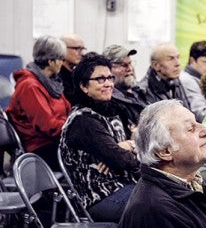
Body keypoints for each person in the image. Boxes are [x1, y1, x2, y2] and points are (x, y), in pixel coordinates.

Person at [118, 100, 206, 228]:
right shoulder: (157, 210)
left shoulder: (194, 182)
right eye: (191, 129)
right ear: (164, 151)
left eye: (197, 122)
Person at [59, 53, 140, 223]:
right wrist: (126, 150)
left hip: (124, 184)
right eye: (101, 79)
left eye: (110, 77)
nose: (109, 83)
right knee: (158, 205)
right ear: (84, 86)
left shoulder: (113, 109)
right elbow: (121, 160)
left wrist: (128, 145)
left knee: (170, 196)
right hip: (100, 196)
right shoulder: (83, 120)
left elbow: (140, 140)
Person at [6, 36, 71, 170]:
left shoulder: (51, 83)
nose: (62, 63)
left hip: (56, 141)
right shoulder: (29, 86)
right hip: (40, 147)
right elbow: (47, 126)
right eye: (61, 59)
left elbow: (68, 112)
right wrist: (74, 126)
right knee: (89, 156)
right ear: (51, 61)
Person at [103, 44, 147, 138]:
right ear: (107, 70)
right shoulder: (110, 102)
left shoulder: (138, 92)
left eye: (130, 63)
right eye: (123, 65)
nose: (130, 69)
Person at [138, 42, 190, 108]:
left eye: (178, 57)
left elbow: (187, 110)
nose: (178, 63)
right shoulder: (143, 91)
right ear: (156, 65)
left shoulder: (175, 81)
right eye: (171, 59)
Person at [179, 40, 206, 122]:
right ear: (192, 61)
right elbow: (201, 114)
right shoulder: (187, 80)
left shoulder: (201, 80)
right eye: (205, 61)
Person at [59, 34, 86, 105]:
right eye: (77, 49)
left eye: (82, 49)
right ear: (62, 49)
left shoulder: (77, 74)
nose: (82, 53)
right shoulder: (57, 77)